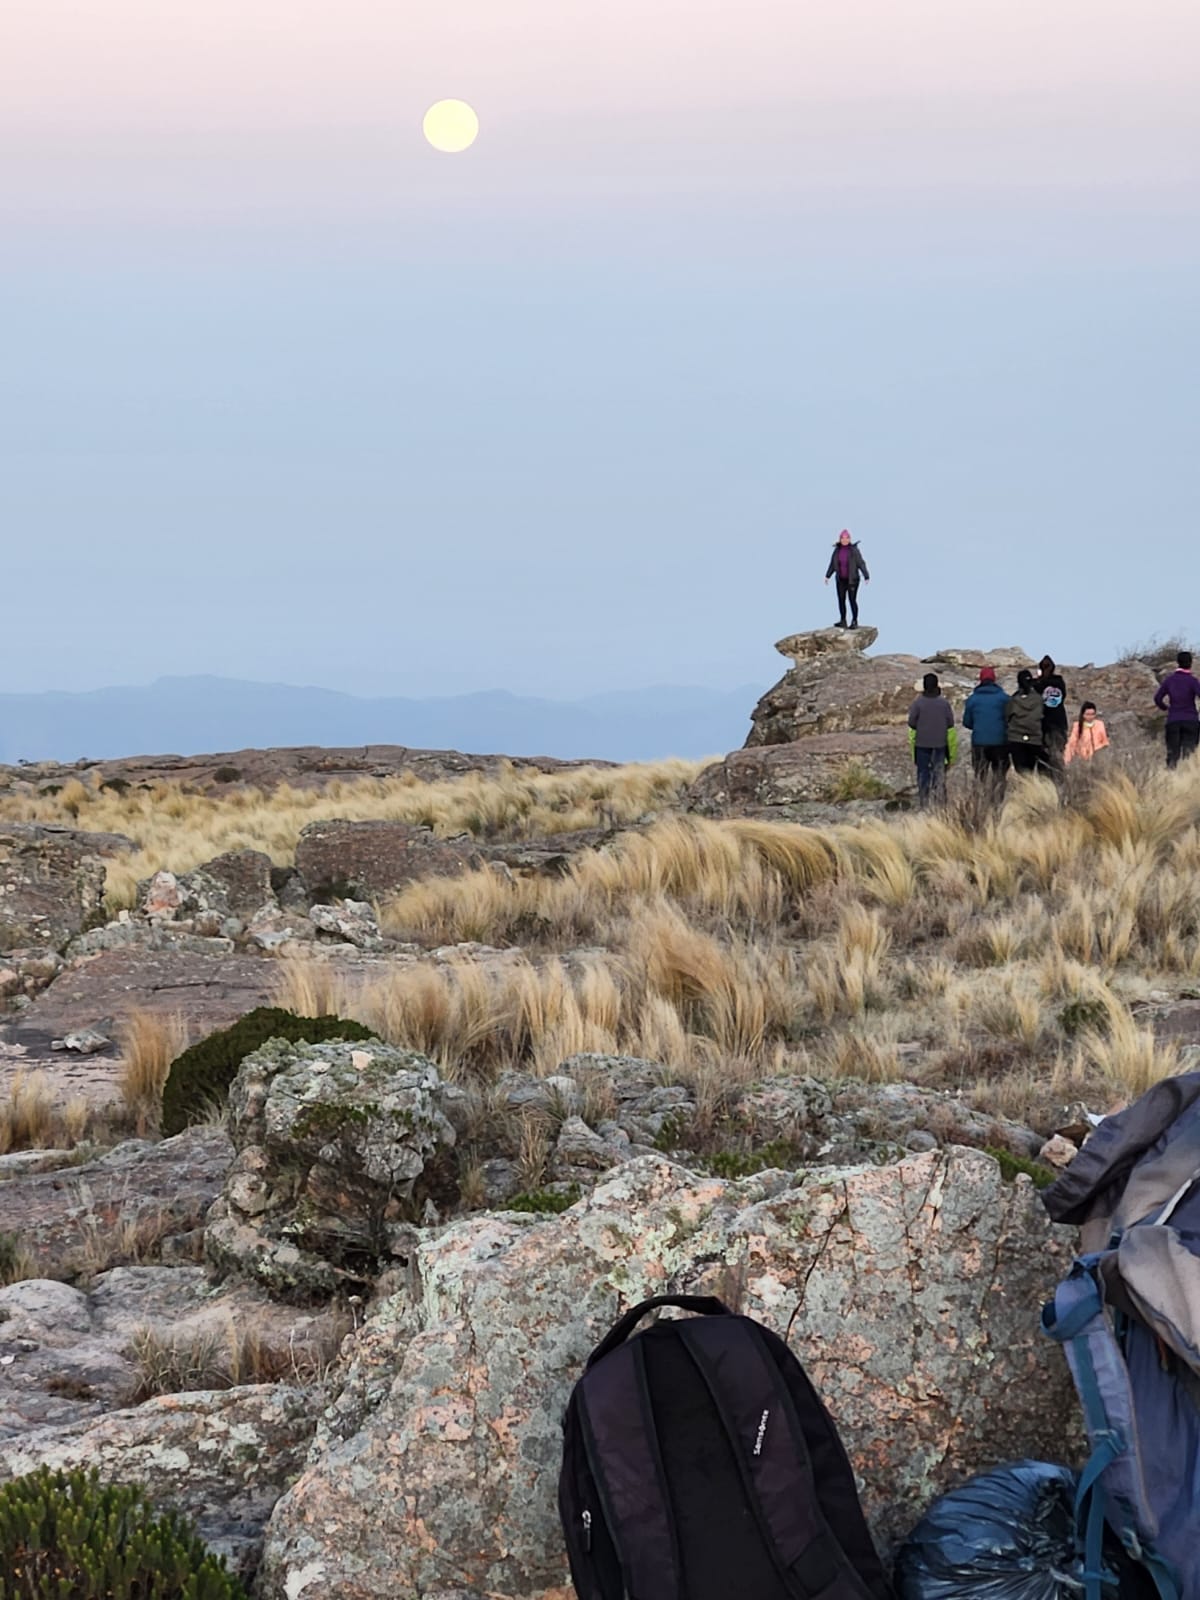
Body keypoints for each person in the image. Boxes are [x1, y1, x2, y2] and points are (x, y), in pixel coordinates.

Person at [907, 672, 957, 806]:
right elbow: (950, 723)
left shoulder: (918, 703)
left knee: (923, 773)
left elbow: (911, 723)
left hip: (922, 744)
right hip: (940, 744)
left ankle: (924, 802)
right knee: (938, 773)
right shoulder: (944, 703)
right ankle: (940, 804)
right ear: (936, 685)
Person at [962, 666, 1011, 791]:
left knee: (980, 776)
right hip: (1000, 742)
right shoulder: (1004, 698)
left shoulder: (972, 699)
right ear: (994, 680)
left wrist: (978, 726)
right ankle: (997, 803)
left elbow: (967, 722)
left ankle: (981, 801)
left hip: (979, 742)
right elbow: (1010, 719)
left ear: (980, 680)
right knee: (999, 775)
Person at [1154, 650, 1200, 767]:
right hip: (1190, 720)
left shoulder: (1169, 680)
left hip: (1173, 720)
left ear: (1177, 663)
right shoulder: (1192, 681)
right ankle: (1185, 778)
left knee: (1173, 754)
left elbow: (1158, 698)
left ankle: (1171, 776)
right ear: (1190, 663)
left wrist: (1165, 708)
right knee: (1188, 753)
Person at [823, 529, 870, 629]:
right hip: (841, 580)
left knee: (852, 600)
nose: (844, 540)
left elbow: (861, 563)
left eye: (846, 538)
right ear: (840, 539)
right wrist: (827, 576)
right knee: (841, 600)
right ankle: (843, 620)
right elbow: (832, 565)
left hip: (852, 580)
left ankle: (854, 620)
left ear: (849, 539)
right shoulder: (837, 551)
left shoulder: (854, 551)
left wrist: (866, 575)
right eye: (842, 538)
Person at [1033, 654, 1069, 771]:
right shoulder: (1059, 683)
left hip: (1044, 725)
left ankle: (1046, 783)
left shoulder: (1038, 685)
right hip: (1059, 724)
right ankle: (1060, 781)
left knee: (1043, 759)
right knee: (1058, 756)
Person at [1006, 669, 1046, 772]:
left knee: (1021, 771)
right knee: (1030, 771)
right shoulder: (1038, 699)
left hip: (1016, 738)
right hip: (1034, 739)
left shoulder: (1014, 700)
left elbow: (1007, 716)